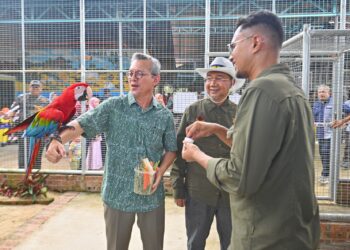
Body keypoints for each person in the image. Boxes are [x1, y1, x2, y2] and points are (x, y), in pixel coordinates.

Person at [181, 10, 320, 250]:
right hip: (292, 231)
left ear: (255, 42)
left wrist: (196, 156)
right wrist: (216, 129)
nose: (231, 54)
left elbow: (239, 175)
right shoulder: (290, 90)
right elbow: (259, 152)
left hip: (265, 236)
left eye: (233, 45)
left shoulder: (261, 91)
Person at [46, 53, 177, 250]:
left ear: (155, 79)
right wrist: (57, 139)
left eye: (140, 73)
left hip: (150, 195)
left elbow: (172, 149)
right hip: (117, 194)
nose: (133, 78)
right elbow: (82, 123)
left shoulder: (164, 116)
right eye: (130, 73)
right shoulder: (113, 107)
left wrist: (162, 170)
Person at [171, 56, 245, 250]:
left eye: (220, 78)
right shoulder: (193, 111)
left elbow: (247, 150)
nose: (212, 83)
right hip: (198, 191)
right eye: (209, 78)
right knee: (195, 242)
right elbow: (179, 150)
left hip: (230, 193)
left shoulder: (241, 113)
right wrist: (178, 187)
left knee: (231, 243)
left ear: (232, 83)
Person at [7, 80, 49, 169]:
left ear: (41, 89)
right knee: (23, 152)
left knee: (37, 152)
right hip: (23, 130)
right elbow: (12, 110)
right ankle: (22, 172)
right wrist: (10, 115)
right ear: (29, 87)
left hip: (39, 131)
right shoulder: (21, 98)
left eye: (37, 87)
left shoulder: (45, 101)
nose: (35, 88)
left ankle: (36, 171)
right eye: (33, 86)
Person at [312, 85, 333, 184]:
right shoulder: (316, 104)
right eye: (320, 92)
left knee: (327, 155)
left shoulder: (335, 103)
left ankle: (326, 175)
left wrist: (343, 121)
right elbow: (313, 117)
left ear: (329, 93)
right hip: (321, 134)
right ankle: (326, 174)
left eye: (324, 92)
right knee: (323, 154)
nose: (321, 94)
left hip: (332, 135)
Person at [86, 97, 103, 170]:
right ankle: (90, 165)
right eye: (96, 102)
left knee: (97, 148)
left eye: (98, 102)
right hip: (92, 134)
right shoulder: (90, 112)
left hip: (97, 132)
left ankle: (96, 165)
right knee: (92, 148)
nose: (98, 104)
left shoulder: (98, 111)